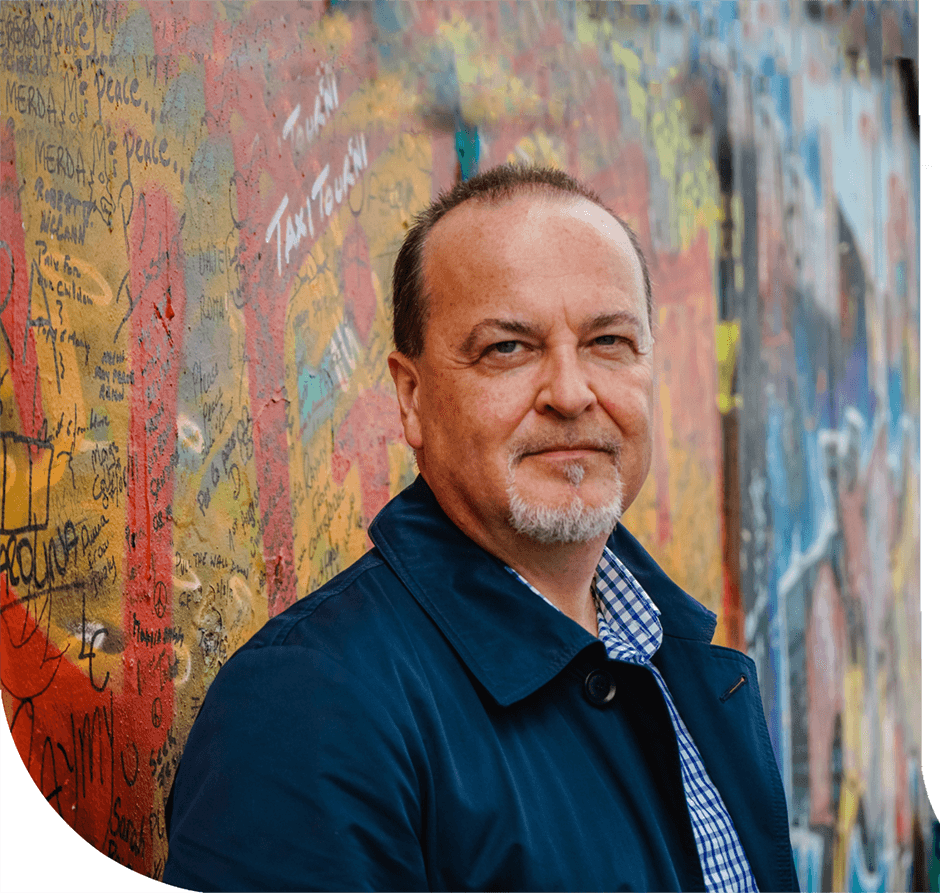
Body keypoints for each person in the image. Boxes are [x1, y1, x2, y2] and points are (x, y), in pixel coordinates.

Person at [163, 164, 799, 892]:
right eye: (508, 348)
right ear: (411, 398)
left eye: (609, 341)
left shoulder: (677, 663)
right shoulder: (306, 710)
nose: (571, 393)